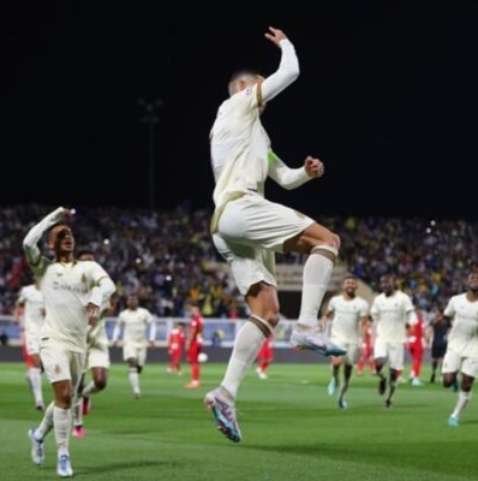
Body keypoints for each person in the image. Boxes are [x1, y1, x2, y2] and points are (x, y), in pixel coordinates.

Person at [205, 26, 344, 443]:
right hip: (240, 206)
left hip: (227, 225)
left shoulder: (253, 132)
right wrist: (286, 45)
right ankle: (307, 326)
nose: (264, 90)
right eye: (258, 85)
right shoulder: (235, 106)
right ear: (245, 88)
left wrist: (306, 172)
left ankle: (225, 394)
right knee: (327, 241)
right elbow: (292, 72)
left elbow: (283, 178)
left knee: (265, 314)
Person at [24, 207, 115, 477]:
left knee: (65, 399)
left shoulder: (87, 268)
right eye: (61, 234)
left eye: (70, 233)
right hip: (52, 339)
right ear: (51, 243)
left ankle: (39, 435)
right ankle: (63, 455)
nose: (67, 236)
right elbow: (28, 242)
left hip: (79, 344)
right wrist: (54, 218)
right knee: (64, 396)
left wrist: (96, 299)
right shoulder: (44, 269)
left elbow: (108, 285)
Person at [72, 251, 115, 439]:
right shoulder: (71, 289)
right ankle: (78, 424)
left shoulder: (102, 288)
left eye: (92, 262)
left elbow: (109, 306)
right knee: (76, 385)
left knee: (100, 382)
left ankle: (87, 395)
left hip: (97, 338)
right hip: (77, 340)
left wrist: (101, 312)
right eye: (85, 262)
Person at [370, 275, 415, 408]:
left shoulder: (403, 298)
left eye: (388, 282)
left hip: (398, 340)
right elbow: (374, 316)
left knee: (394, 373)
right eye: (383, 283)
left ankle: (389, 398)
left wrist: (410, 324)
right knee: (379, 363)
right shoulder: (378, 299)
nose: (385, 285)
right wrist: (372, 330)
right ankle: (382, 378)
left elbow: (411, 313)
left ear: (394, 282)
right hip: (382, 338)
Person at [325, 276, 369, 409]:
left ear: (356, 286)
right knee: (337, 361)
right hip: (337, 337)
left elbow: (364, 323)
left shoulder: (362, 303)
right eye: (347, 282)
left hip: (353, 341)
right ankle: (334, 378)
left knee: (348, 372)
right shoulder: (335, 301)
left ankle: (342, 397)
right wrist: (322, 326)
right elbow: (326, 315)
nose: (350, 285)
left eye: (352, 283)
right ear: (343, 286)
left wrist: (362, 341)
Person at [441, 272, 478, 427]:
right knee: (447, 382)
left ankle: (455, 415)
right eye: (472, 278)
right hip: (455, 345)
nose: (475, 280)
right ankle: (453, 377)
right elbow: (446, 316)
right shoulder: (456, 300)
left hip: (475, 347)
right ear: (467, 281)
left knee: (467, 383)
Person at [113, 295, 155, 398]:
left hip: (142, 343)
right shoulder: (123, 315)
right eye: (130, 300)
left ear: (137, 301)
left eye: (134, 300)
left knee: (139, 367)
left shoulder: (144, 313)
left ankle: (135, 374)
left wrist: (152, 338)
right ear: (127, 302)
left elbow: (152, 324)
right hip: (129, 343)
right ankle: (136, 391)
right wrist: (115, 339)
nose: (132, 302)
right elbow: (118, 327)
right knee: (132, 363)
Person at [15, 282, 45, 411]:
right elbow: (19, 305)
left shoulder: (52, 291)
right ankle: (39, 400)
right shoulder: (26, 291)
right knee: (35, 364)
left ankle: (30, 376)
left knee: (43, 366)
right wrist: (19, 316)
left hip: (47, 332)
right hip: (30, 332)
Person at [185, 306, 204, 389]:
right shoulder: (201, 319)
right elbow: (201, 330)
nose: (191, 312)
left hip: (194, 342)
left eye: (193, 311)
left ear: (196, 311)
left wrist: (188, 342)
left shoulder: (195, 320)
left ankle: (194, 382)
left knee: (193, 362)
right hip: (199, 341)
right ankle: (196, 381)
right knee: (196, 362)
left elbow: (192, 332)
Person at [429, 310, 450, 384]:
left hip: (442, 343)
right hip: (436, 343)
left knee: (442, 360)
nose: (438, 316)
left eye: (439, 314)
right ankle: (434, 372)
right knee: (435, 359)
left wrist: (447, 337)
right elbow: (431, 326)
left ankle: (440, 375)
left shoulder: (446, 322)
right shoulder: (435, 321)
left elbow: (449, 330)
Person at [408, 308, 426, 386]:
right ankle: (415, 378)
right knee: (418, 360)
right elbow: (423, 333)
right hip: (418, 342)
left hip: (412, 342)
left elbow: (410, 331)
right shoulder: (419, 322)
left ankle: (412, 375)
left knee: (415, 360)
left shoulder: (412, 321)